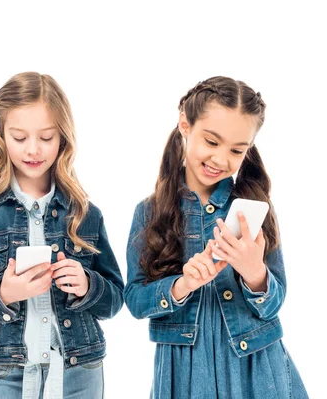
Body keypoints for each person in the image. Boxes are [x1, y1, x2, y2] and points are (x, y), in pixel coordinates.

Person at [0, 72, 124, 399]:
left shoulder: (84, 213)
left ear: (63, 138)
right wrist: (1, 293)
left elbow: (115, 298)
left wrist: (88, 285)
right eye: (20, 137)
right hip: (10, 375)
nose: (33, 149)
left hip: (81, 372)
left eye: (47, 137)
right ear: (1, 135)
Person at [124, 76, 308, 398]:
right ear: (185, 125)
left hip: (257, 368)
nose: (221, 160)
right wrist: (182, 285)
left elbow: (275, 302)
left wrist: (254, 272)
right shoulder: (149, 212)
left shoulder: (254, 207)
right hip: (184, 371)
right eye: (211, 142)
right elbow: (136, 301)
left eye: (237, 150)